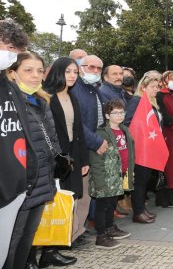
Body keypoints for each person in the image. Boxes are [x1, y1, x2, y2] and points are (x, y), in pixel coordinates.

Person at [4, 52, 62, 269]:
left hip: (42, 180)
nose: (35, 76)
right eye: (28, 70)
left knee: (27, 237)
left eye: (39, 70)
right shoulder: (9, 104)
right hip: (20, 184)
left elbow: (52, 139)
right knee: (12, 240)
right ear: (12, 74)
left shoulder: (41, 101)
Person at [40, 58, 90, 264]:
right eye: (68, 71)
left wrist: (83, 159)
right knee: (48, 205)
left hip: (71, 158)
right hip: (53, 160)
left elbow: (78, 131)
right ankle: (40, 251)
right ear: (58, 72)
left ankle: (51, 251)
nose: (72, 76)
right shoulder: (45, 96)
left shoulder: (72, 97)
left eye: (75, 72)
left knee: (67, 202)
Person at [0, 20, 30, 268]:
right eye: (7, 47)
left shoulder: (9, 87)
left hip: (14, 186)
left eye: (15, 52)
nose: (10, 56)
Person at [89, 99, 134, 249]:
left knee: (112, 204)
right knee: (103, 206)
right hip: (106, 177)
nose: (120, 115)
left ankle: (110, 227)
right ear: (107, 115)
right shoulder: (102, 133)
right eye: (115, 112)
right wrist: (99, 181)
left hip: (119, 175)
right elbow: (96, 160)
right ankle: (101, 235)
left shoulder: (124, 129)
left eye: (122, 112)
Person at [124, 71, 161, 224]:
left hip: (149, 147)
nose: (156, 89)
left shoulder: (152, 102)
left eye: (157, 86)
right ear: (144, 87)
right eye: (153, 87)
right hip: (140, 147)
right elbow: (128, 122)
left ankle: (142, 209)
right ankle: (138, 211)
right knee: (140, 180)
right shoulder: (136, 100)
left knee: (145, 180)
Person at [156, 71, 173, 207]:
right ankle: (163, 199)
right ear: (164, 80)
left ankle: (171, 196)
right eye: (171, 78)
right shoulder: (160, 95)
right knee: (166, 163)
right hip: (167, 132)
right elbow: (163, 113)